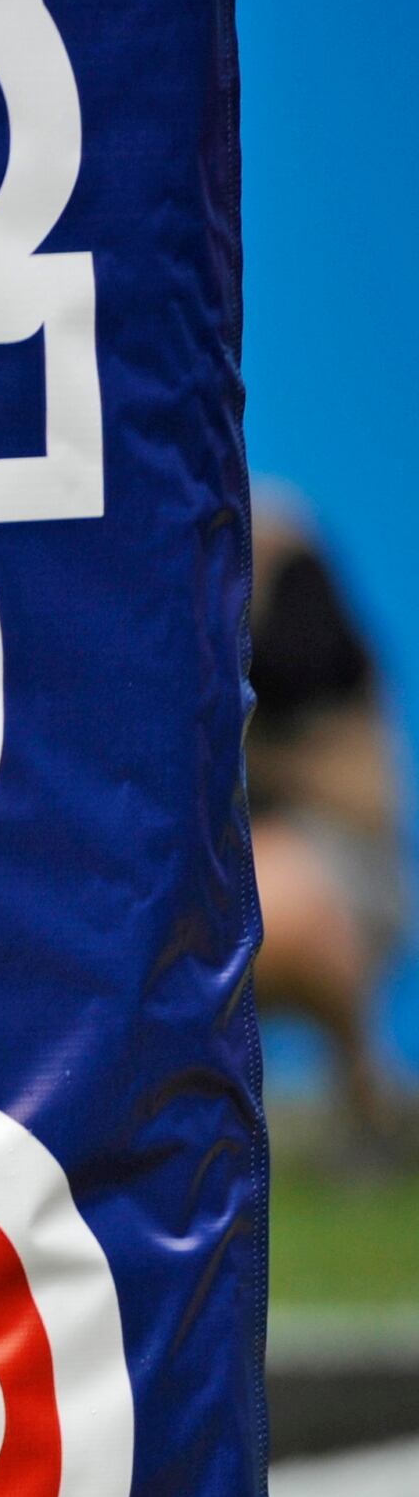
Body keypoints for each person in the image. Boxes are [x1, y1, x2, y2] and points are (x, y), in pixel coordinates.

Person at [246, 490, 408, 1148]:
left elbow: (368, 800)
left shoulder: (278, 542)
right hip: (250, 869)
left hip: (332, 879)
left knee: (269, 890)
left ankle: (367, 1094)